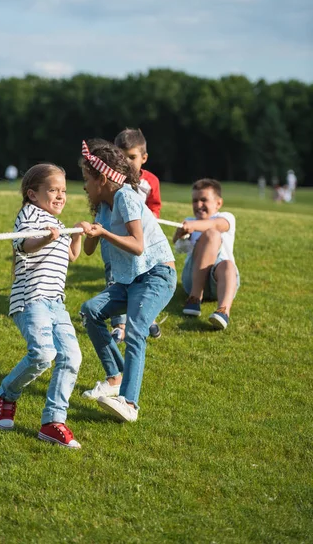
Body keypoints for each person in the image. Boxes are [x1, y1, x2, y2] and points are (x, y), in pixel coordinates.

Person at [79, 139, 177, 422]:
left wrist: (104, 234)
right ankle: (116, 378)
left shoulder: (126, 197)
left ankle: (130, 404)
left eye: (87, 180)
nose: (85, 187)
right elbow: (89, 249)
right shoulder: (103, 207)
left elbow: (137, 245)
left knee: (135, 330)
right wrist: (85, 231)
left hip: (156, 274)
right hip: (129, 280)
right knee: (90, 310)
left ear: (103, 178)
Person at [0, 163, 84, 448]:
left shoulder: (57, 222)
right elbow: (24, 245)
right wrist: (45, 237)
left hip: (57, 304)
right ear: (33, 194)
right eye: (53, 190)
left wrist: (78, 233)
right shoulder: (29, 215)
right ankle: (7, 395)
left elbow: (71, 256)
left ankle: (53, 422)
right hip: (31, 301)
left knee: (71, 358)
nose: (60, 196)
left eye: (63, 191)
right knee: (44, 355)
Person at [114, 128, 162, 339]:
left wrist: (148, 222)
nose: (126, 162)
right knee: (117, 277)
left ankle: (146, 317)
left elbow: (155, 206)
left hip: (142, 239)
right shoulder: (113, 178)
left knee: (143, 276)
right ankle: (120, 324)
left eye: (132, 157)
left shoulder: (151, 182)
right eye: (121, 156)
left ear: (144, 158)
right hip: (118, 238)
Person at [173, 178, 240, 330]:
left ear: (218, 203)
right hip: (193, 280)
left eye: (204, 200)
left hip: (221, 283)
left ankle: (223, 311)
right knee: (211, 235)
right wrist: (180, 236)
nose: (198, 205)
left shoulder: (226, 217)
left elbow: (215, 225)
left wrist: (192, 226)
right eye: (195, 200)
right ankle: (194, 297)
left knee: (226, 261)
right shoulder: (188, 222)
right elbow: (180, 249)